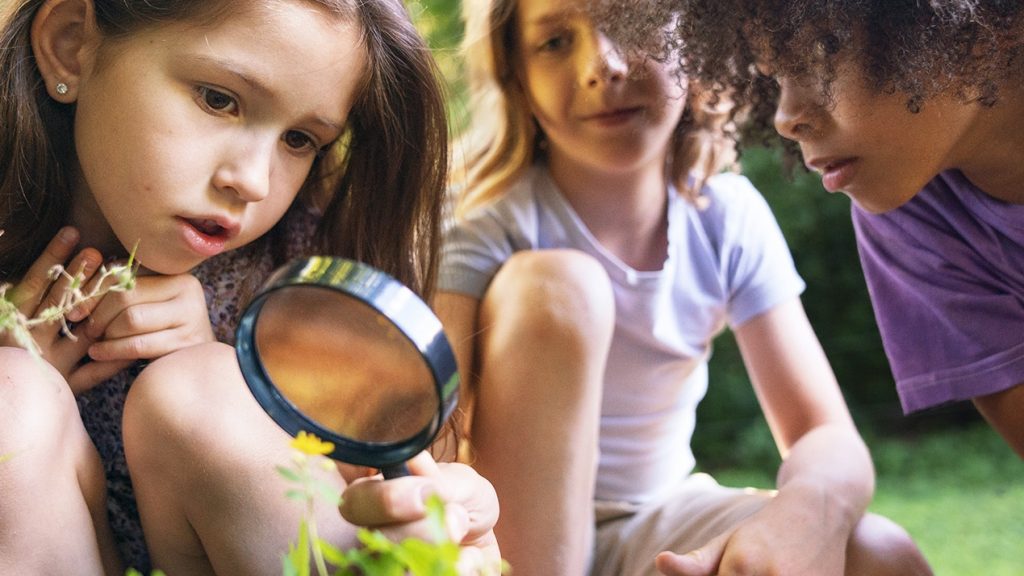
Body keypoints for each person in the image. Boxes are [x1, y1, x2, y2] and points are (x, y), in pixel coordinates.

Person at [435, 0, 934, 574]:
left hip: (657, 521)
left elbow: (826, 435)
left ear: (697, 42)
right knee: (560, 285)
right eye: (554, 43)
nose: (604, 65)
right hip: (506, 533)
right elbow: (428, 434)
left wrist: (801, 516)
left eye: (631, 22)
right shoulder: (483, 216)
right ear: (516, 78)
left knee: (881, 554)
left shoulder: (725, 216)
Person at [0, 0, 499, 574]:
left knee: (198, 388)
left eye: (299, 140)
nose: (253, 180)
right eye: (219, 99)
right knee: (14, 394)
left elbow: (392, 484)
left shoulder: (307, 279)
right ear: (70, 44)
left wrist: (441, 511)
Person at [662, 0, 1024, 458]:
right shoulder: (911, 215)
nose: (785, 117)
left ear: (988, 25)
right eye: (775, 77)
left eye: (823, 54)